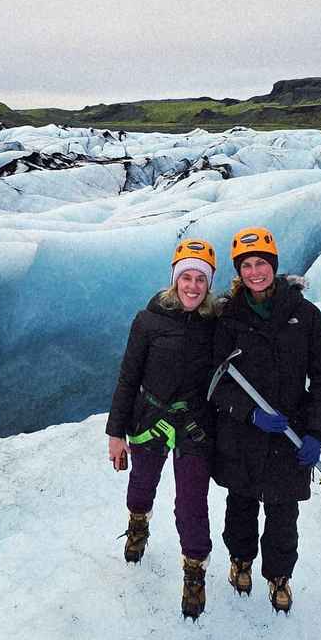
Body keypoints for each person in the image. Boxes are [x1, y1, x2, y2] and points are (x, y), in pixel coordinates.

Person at [210, 227, 321, 614]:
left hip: (290, 432)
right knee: (241, 503)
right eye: (246, 265)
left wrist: (317, 432)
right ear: (239, 271)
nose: (255, 272)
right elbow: (214, 382)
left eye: (261, 263)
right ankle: (240, 559)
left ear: (274, 265)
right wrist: (249, 412)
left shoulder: (305, 315)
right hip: (243, 434)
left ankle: (279, 576)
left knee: (283, 513)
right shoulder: (228, 317)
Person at [106, 238, 218, 620]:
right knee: (141, 484)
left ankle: (194, 571)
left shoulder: (216, 323)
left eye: (200, 279)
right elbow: (128, 377)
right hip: (149, 418)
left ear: (208, 285)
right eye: (186, 277)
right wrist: (116, 433)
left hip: (194, 425)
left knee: (191, 503)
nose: (192, 286)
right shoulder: (148, 321)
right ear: (175, 280)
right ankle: (138, 523)